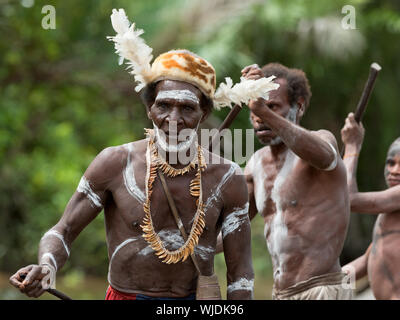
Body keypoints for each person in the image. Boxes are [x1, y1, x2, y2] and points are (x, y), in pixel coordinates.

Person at [8, 9, 283, 300]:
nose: (173, 119)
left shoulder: (228, 178)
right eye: (164, 105)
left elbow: (240, 273)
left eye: (187, 108)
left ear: (204, 113)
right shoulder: (115, 163)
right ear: (149, 109)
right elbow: (62, 231)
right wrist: (46, 268)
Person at [242, 63, 352, 300]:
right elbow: (233, 226)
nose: (259, 117)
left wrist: (264, 111)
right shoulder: (255, 165)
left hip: (321, 290)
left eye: (272, 106)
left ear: (298, 106)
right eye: (254, 109)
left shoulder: (321, 142)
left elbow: (327, 157)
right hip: (281, 294)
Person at [341, 112, 400, 299]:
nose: (394, 171)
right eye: (390, 163)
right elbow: (371, 259)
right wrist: (320, 285)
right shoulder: (389, 211)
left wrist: (351, 147)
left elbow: (348, 199)